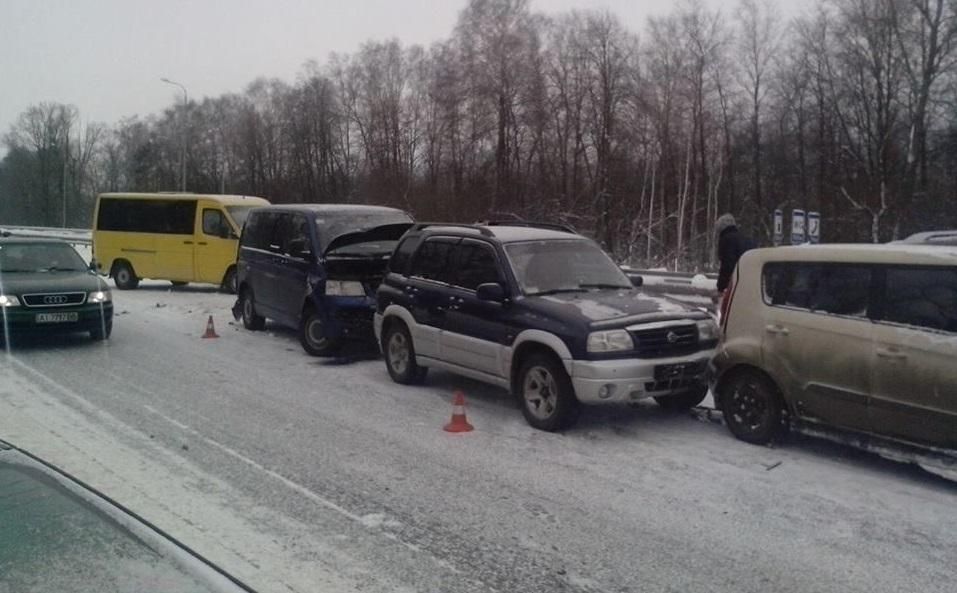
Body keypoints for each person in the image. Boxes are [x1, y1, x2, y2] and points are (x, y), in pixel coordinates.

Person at [715, 213, 755, 292]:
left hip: (735, 283)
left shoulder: (726, 239)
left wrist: (721, 287)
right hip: (749, 281)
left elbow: (727, 264)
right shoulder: (745, 238)